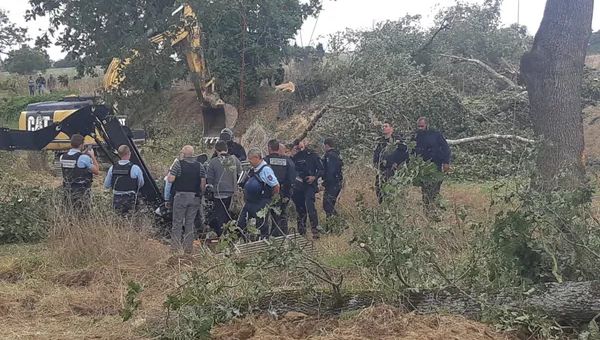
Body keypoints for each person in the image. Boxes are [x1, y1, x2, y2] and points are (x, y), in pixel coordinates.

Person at [167, 145, 206, 254]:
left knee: (177, 223)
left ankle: (175, 249)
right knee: (190, 223)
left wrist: (170, 171)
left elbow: (170, 179)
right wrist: (200, 195)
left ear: (183, 154)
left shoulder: (178, 164)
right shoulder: (200, 166)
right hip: (194, 198)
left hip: (181, 197)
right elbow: (203, 184)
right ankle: (188, 249)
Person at [238, 148, 280, 239]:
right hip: (250, 202)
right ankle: (247, 240)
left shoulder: (266, 170)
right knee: (242, 222)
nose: (249, 161)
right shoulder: (253, 169)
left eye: (251, 159)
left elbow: (276, 186)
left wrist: (270, 198)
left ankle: (263, 241)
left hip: (261, 202)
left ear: (257, 158)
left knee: (261, 224)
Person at [413, 117, 451, 215]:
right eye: (419, 126)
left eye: (422, 126)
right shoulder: (416, 136)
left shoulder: (436, 135)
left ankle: (434, 211)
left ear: (427, 125)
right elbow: (412, 151)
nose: (420, 128)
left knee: (434, 189)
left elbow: (446, 148)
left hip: (435, 165)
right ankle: (427, 212)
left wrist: (446, 162)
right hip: (423, 168)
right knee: (425, 190)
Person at [206, 140, 242, 237]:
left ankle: (221, 237)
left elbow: (209, 180)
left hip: (219, 195)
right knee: (232, 216)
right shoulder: (234, 160)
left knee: (220, 217)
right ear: (226, 149)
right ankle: (232, 236)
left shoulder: (213, 162)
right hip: (233, 195)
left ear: (216, 151)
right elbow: (241, 174)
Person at [291, 139, 324, 239]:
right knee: (300, 208)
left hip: (309, 185)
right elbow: (291, 170)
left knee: (310, 206)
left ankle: (315, 230)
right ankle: (301, 232)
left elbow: (322, 169)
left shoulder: (313, 155)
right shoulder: (294, 157)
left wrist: (314, 177)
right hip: (298, 186)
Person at [264, 139, 296, 236]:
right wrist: (288, 193)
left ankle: (268, 236)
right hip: (283, 192)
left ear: (269, 148)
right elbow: (292, 179)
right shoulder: (288, 161)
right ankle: (283, 236)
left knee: (266, 216)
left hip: (268, 193)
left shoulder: (265, 161)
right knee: (282, 215)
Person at [59, 134, 100, 210]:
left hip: (67, 192)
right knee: (82, 215)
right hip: (81, 193)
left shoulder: (62, 157)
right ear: (82, 145)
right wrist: (93, 156)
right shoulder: (84, 158)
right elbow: (97, 171)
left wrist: (82, 154)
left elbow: (75, 162)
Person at [373, 121, 409, 203]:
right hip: (381, 170)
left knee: (393, 192)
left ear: (391, 128)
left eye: (386, 126)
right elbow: (376, 154)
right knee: (379, 189)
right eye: (383, 126)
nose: (384, 128)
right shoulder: (380, 142)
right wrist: (375, 163)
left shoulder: (398, 141)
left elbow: (405, 154)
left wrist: (397, 163)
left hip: (394, 171)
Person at [103, 145, 145, 215]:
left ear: (119, 154)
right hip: (131, 200)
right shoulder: (135, 168)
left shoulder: (112, 168)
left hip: (116, 200)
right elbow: (141, 184)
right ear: (129, 153)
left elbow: (106, 185)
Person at [322, 138, 344, 218]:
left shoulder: (330, 155)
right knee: (328, 206)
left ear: (326, 145)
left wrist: (325, 183)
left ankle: (340, 222)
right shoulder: (336, 154)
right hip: (335, 183)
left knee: (327, 205)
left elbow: (331, 171)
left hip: (333, 183)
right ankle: (330, 227)